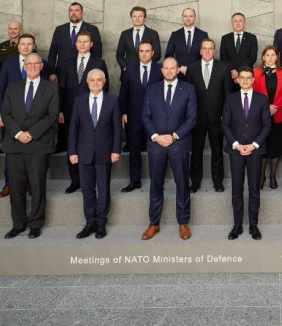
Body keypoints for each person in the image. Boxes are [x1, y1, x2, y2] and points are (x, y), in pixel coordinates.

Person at [0, 53, 60, 239]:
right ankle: (18, 224)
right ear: (24, 66)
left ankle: (35, 224)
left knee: (37, 186)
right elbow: (5, 113)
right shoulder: (13, 87)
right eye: (29, 63)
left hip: (39, 144)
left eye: (37, 64)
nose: (33, 66)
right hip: (15, 143)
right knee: (16, 187)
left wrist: (31, 134)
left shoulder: (51, 88)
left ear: (41, 67)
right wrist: (19, 134)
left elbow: (52, 116)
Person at [141, 57, 197, 241]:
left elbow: (191, 118)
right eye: (167, 68)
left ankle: (183, 222)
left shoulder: (188, 89)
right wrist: (157, 137)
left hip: (178, 144)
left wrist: (173, 136)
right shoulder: (152, 89)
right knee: (156, 185)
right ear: (162, 70)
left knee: (182, 185)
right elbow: (146, 116)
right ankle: (153, 223)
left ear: (177, 70)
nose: (170, 71)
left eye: (173, 68)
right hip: (156, 144)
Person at [0, 33, 52, 197]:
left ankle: (30, 184)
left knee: (33, 152)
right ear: (18, 46)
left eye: (29, 44)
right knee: (11, 151)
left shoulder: (42, 64)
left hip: (35, 117)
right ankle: (9, 184)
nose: (26, 47)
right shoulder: (8, 63)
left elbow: (46, 91)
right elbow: (1, 88)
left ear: (34, 46)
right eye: (23, 44)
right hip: (11, 117)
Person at [68, 69, 122, 240]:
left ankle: (101, 222)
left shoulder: (112, 100)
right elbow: (73, 128)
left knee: (104, 188)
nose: (96, 83)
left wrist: (115, 150)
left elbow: (117, 129)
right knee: (87, 189)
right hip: (84, 152)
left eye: (99, 80)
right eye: (92, 80)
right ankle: (90, 222)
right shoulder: (79, 101)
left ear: (104, 82)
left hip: (105, 152)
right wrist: (72, 151)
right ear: (88, 82)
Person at [222, 66, 272, 240]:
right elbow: (225, 124)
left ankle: (253, 225)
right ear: (238, 80)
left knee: (254, 189)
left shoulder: (262, 99)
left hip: (255, 151)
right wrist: (236, 144)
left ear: (253, 80)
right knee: (236, 189)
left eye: (248, 77)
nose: (244, 80)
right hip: (236, 150)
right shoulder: (230, 99)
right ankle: (237, 225)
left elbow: (267, 125)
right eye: (241, 77)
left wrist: (254, 145)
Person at [56, 30, 108, 193]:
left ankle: (90, 179)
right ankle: (75, 180)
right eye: (80, 41)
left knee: (89, 144)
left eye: (86, 42)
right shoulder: (66, 62)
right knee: (72, 144)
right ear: (76, 43)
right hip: (70, 110)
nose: (83, 44)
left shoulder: (99, 63)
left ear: (91, 44)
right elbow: (61, 88)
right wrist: (60, 110)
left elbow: (105, 89)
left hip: (92, 111)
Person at [186, 38, 233, 192]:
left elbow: (228, 94)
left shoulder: (223, 67)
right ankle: (195, 182)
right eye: (204, 48)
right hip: (197, 117)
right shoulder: (192, 68)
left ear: (214, 50)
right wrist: (190, 115)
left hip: (217, 117)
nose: (207, 51)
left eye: (210, 48)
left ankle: (218, 182)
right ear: (200, 51)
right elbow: (188, 95)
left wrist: (225, 115)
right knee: (196, 151)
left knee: (217, 151)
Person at [119, 41, 162, 192]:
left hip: (155, 117)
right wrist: (123, 112)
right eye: (141, 51)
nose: (144, 54)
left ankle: (156, 180)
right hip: (133, 116)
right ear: (138, 53)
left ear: (153, 53)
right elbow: (123, 93)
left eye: (147, 51)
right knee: (134, 150)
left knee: (155, 150)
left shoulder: (160, 69)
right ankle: (135, 180)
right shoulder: (129, 70)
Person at [254, 45, 282, 189]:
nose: (270, 58)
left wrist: (275, 106)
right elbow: (254, 92)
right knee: (263, 147)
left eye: (273, 55)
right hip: (261, 115)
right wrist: (266, 107)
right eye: (267, 55)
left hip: (278, 115)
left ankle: (272, 175)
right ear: (263, 57)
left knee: (276, 147)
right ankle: (261, 176)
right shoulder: (256, 72)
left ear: (277, 57)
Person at [47, 2, 103, 81]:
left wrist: (93, 73)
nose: (73, 13)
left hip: (84, 74)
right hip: (62, 75)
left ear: (82, 13)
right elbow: (52, 54)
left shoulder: (92, 29)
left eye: (76, 10)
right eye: (71, 11)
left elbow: (97, 54)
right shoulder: (59, 30)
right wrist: (52, 72)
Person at [115, 5, 162, 73]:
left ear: (144, 18)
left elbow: (157, 54)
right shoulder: (125, 34)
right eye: (134, 16)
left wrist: (145, 65)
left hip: (147, 71)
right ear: (131, 17)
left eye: (140, 16)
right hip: (128, 72)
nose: (137, 19)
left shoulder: (153, 34)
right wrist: (125, 68)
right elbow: (119, 55)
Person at [164, 7, 208, 76]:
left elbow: (206, 55)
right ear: (182, 17)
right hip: (179, 73)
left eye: (191, 16)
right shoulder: (175, 35)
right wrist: (179, 67)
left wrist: (195, 68)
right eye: (185, 16)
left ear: (195, 17)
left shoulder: (203, 35)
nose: (188, 18)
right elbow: (169, 55)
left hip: (198, 74)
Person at [220, 12, 259, 79]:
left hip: (246, 75)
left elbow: (252, 58)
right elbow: (223, 57)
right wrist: (232, 71)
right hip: (229, 75)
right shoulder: (225, 38)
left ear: (244, 23)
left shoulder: (252, 38)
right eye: (235, 21)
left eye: (240, 21)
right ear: (232, 23)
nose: (238, 23)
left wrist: (240, 72)